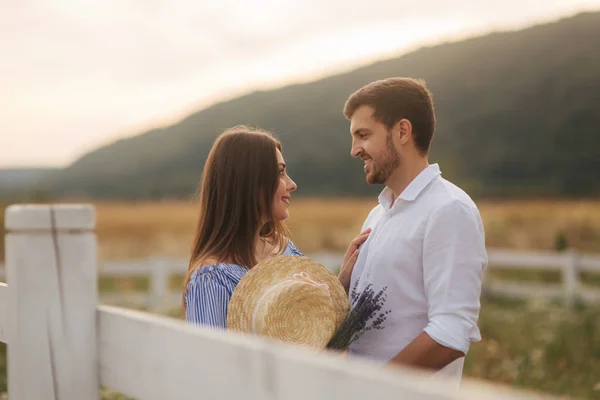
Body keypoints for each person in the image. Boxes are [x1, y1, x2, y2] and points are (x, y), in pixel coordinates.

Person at [338, 77, 487, 387]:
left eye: (363, 135)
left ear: (402, 131)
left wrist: (372, 388)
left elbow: (450, 331)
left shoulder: (449, 209)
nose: (354, 150)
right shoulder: (377, 216)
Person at [183, 125, 367, 330]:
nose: (292, 184)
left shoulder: (283, 249)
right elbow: (209, 359)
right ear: (249, 182)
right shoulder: (212, 280)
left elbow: (308, 329)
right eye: (280, 173)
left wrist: (341, 283)